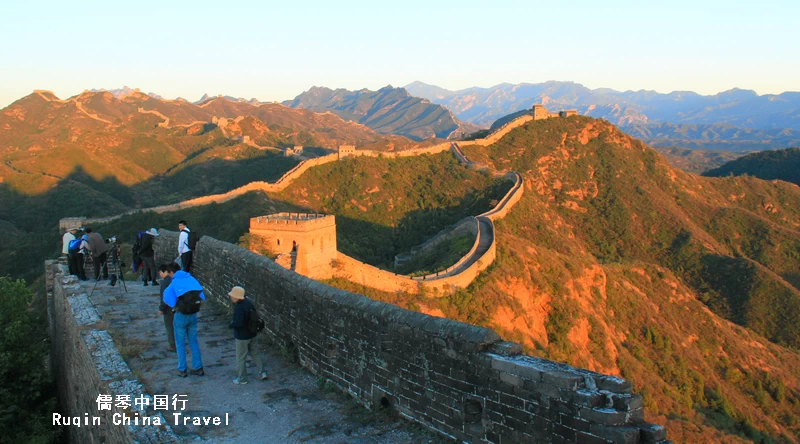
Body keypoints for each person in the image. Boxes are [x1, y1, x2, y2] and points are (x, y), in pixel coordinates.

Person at [162, 263, 205, 377]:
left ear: (171, 273)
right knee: (193, 341)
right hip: (193, 315)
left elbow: (167, 297)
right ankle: (198, 367)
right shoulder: (192, 279)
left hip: (180, 315)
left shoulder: (174, 282)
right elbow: (202, 295)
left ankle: (182, 369)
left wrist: (175, 305)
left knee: (180, 343)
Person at [228, 286, 267, 384]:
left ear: (237, 297)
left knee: (241, 358)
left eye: (233, 296)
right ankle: (263, 372)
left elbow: (239, 323)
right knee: (255, 353)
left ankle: (242, 378)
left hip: (242, 336)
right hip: (252, 333)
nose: (231, 297)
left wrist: (231, 324)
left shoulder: (239, 308)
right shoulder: (248, 303)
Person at [158, 264, 176, 351]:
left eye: (161, 272)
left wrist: (161, 308)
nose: (160, 274)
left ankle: (172, 345)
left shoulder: (165, 282)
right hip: (177, 306)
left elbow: (164, 297)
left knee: (169, 326)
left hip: (168, 308)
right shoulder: (174, 279)